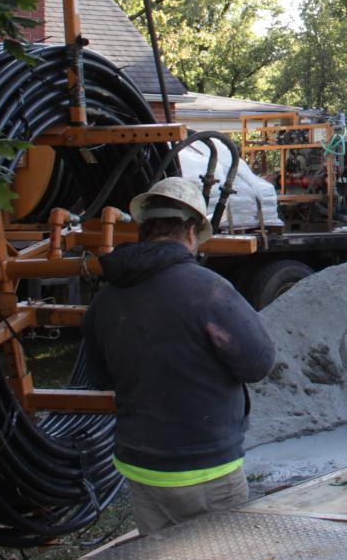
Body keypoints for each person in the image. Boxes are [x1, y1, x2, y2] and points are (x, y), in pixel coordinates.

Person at [82, 177, 276, 536]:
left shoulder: (105, 299)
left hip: (141, 466)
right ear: (190, 231)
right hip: (205, 467)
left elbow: (99, 376)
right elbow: (258, 363)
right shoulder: (207, 290)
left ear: (145, 229)